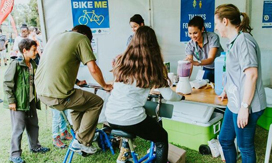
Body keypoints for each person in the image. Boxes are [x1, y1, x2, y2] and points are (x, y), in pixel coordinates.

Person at [105, 26, 184, 163]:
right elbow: (169, 96)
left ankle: (125, 154)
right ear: (153, 44)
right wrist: (181, 96)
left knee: (141, 118)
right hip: (131, 118)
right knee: (161, 137)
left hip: (111, 116)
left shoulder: (122, 61)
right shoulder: (152, 67)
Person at [35, 25, 113, 154]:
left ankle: (80, 135)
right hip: (58, 95)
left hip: (42, 93)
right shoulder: (82, 38)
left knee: (78, 104)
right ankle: (81, 140)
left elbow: (57, 65)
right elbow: (93, 68)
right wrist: (105, 85)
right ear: (87, 37)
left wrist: (76, 81)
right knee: (97, 102)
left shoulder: (57, 36)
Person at [215, 4, 267, 163]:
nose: (216, 28)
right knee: (224, 139)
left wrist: (245, 108)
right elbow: (236, 72)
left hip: (246, 104)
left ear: (225, 21)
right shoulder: (233, 42)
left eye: (216, 24)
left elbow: (252, 75)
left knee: (245, 147)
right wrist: (226, 88)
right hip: (235, 102)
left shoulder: (243, 40)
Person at [3, 39, 50, 163]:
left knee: (33, 125)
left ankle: (35, 147)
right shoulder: (15, 63)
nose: (36, 52)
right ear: (25, 51)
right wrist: (12, 101)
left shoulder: (33, 63)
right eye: (33, 50)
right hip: (18, 103)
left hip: (31, 101)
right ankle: (14, 155)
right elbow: (7, 83)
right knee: (18, 129)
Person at [185, 16, 224, 83]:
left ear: (202, 29)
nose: (192, 36)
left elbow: (210, 59)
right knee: (203, 88)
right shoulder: (189, 45)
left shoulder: (213, 37)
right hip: (206, 68)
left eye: (195, 33)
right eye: (190, 33)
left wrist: (196, 63)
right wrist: (185, 81)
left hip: (220, 68)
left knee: (220, 89)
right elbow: (190, 64)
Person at [51, 79, 87, 149]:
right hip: (53, 93)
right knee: (57, 117)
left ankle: (64, 133)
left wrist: (77, 82)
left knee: (64, 114)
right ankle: (55, 138)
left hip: (62, 92)